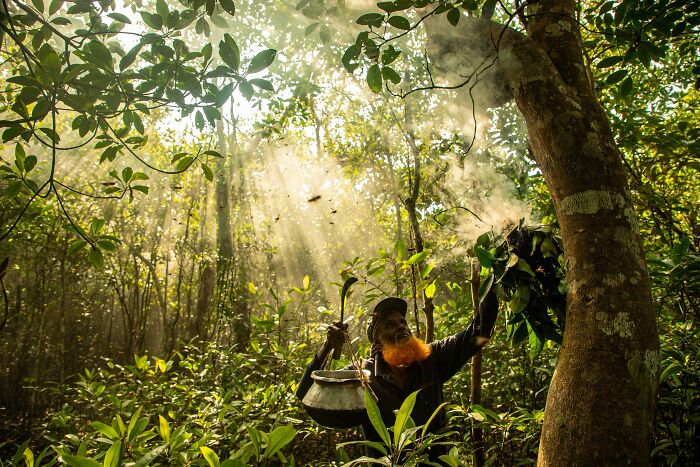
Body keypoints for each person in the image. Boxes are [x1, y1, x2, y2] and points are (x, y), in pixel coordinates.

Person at [296, 292, 499, 461]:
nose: (402, 326)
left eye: (403, 322)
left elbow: (479, 334)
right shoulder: (362, 375)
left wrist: (493, 278)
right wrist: (326, 347)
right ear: (377, 340)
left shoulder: (432, 359)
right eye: (390, 325)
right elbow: (306, 394)